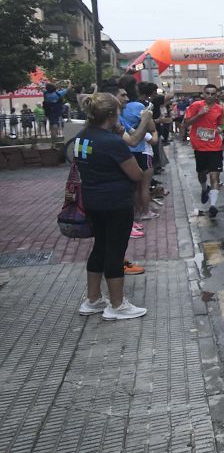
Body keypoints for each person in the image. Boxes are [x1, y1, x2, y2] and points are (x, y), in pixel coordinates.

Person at [74, 92, 147, 321]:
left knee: (100, 247)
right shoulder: (113, 142)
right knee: (115, 252)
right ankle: (117, 305)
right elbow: (136, 174)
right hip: (116, 202)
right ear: (111, 115)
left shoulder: (82, 136)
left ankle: (93, 299)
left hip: (92, 200)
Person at [182, 84, 224, 218]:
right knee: (202, 173)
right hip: (200, 147)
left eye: (213, 94)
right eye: (208, 93)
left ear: (216, 95)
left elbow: (219, 124)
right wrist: (199, 115)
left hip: (215, 146)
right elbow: (185, 124)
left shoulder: (219, 109)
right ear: (203, 94)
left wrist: (219, 129)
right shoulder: (195, 106)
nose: (210, 96)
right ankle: (204, 188)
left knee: (214, 176)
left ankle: (213, 205)